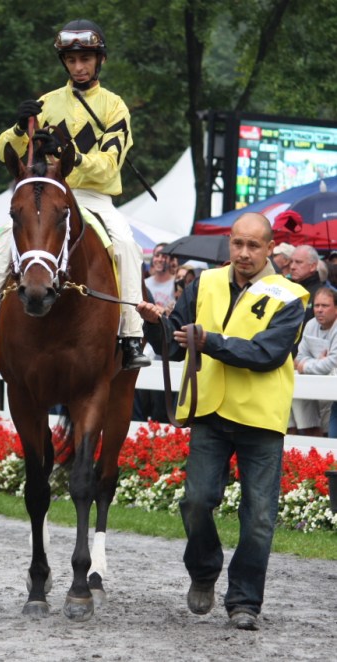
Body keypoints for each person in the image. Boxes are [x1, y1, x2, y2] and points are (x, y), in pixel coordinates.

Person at [136, 212, 308, 631]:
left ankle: (244, 601)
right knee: (196, 502)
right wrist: (155, 323)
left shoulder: (291, 297)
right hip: (209, 410)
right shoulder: (204, 284)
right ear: (229, 244)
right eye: (238, 244)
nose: (244, 253)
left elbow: (265, 354)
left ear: (270, 249)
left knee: (260, 516)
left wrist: (208, 341)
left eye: (254, 246)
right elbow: (174, 345)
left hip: (260, 418)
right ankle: (204, 570)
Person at [0, 19, 149, 370]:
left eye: (86, 59)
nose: (79, 67)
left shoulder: (114, 107)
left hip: (94, 197)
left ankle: (130, 334)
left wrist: (72, 155)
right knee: (4, 241)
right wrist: (19, 129)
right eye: (72, 60)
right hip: (49, 193)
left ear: (100, 60)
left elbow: (109, 165)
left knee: (125, 245)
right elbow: (7, 150)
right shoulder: (46, 103)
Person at [290, 287, 337, 436]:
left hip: (332, 389)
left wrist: (306, 365)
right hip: (316, 382)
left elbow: (332, 362)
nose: (319, 310)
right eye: (316, 305)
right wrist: (317, 363)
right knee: (293, 394)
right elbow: (299, 357)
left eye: (325, 306)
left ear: (336, 308)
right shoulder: (310, 324)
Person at [289, 245, 323, 326]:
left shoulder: (321, 294)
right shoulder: (286, 287)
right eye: (291, 261)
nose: (292, 267)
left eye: (298, 262)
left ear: (312, 266)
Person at [145, 243, 176, 312]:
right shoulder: (145, 283)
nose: (159, 259)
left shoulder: (177, 284)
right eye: (157, 255)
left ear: (171, 260)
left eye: (164, 256)